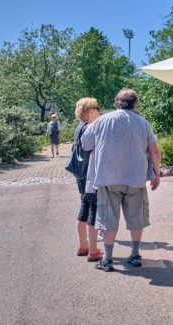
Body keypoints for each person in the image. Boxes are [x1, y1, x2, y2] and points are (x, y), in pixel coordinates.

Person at [81, 88, 161, 272]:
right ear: (135, 103)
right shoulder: (142, 122)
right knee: (136, 218)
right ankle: (134, 255)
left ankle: (107, 260)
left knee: (108, 219)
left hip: (108, 178)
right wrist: (156, 174)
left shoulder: (102, 120)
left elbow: (86, 144)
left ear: (117, 103)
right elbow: (154, 150)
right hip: (136, 178)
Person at [73, 98, 103, 262]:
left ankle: (83, 245)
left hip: (80, 174)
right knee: (93, 210)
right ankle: (92, 250)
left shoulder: (79, 127)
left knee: (84, 209)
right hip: (89, 175)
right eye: (97, 108)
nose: (99, 111)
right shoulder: (90, 128)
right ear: (91, 111)